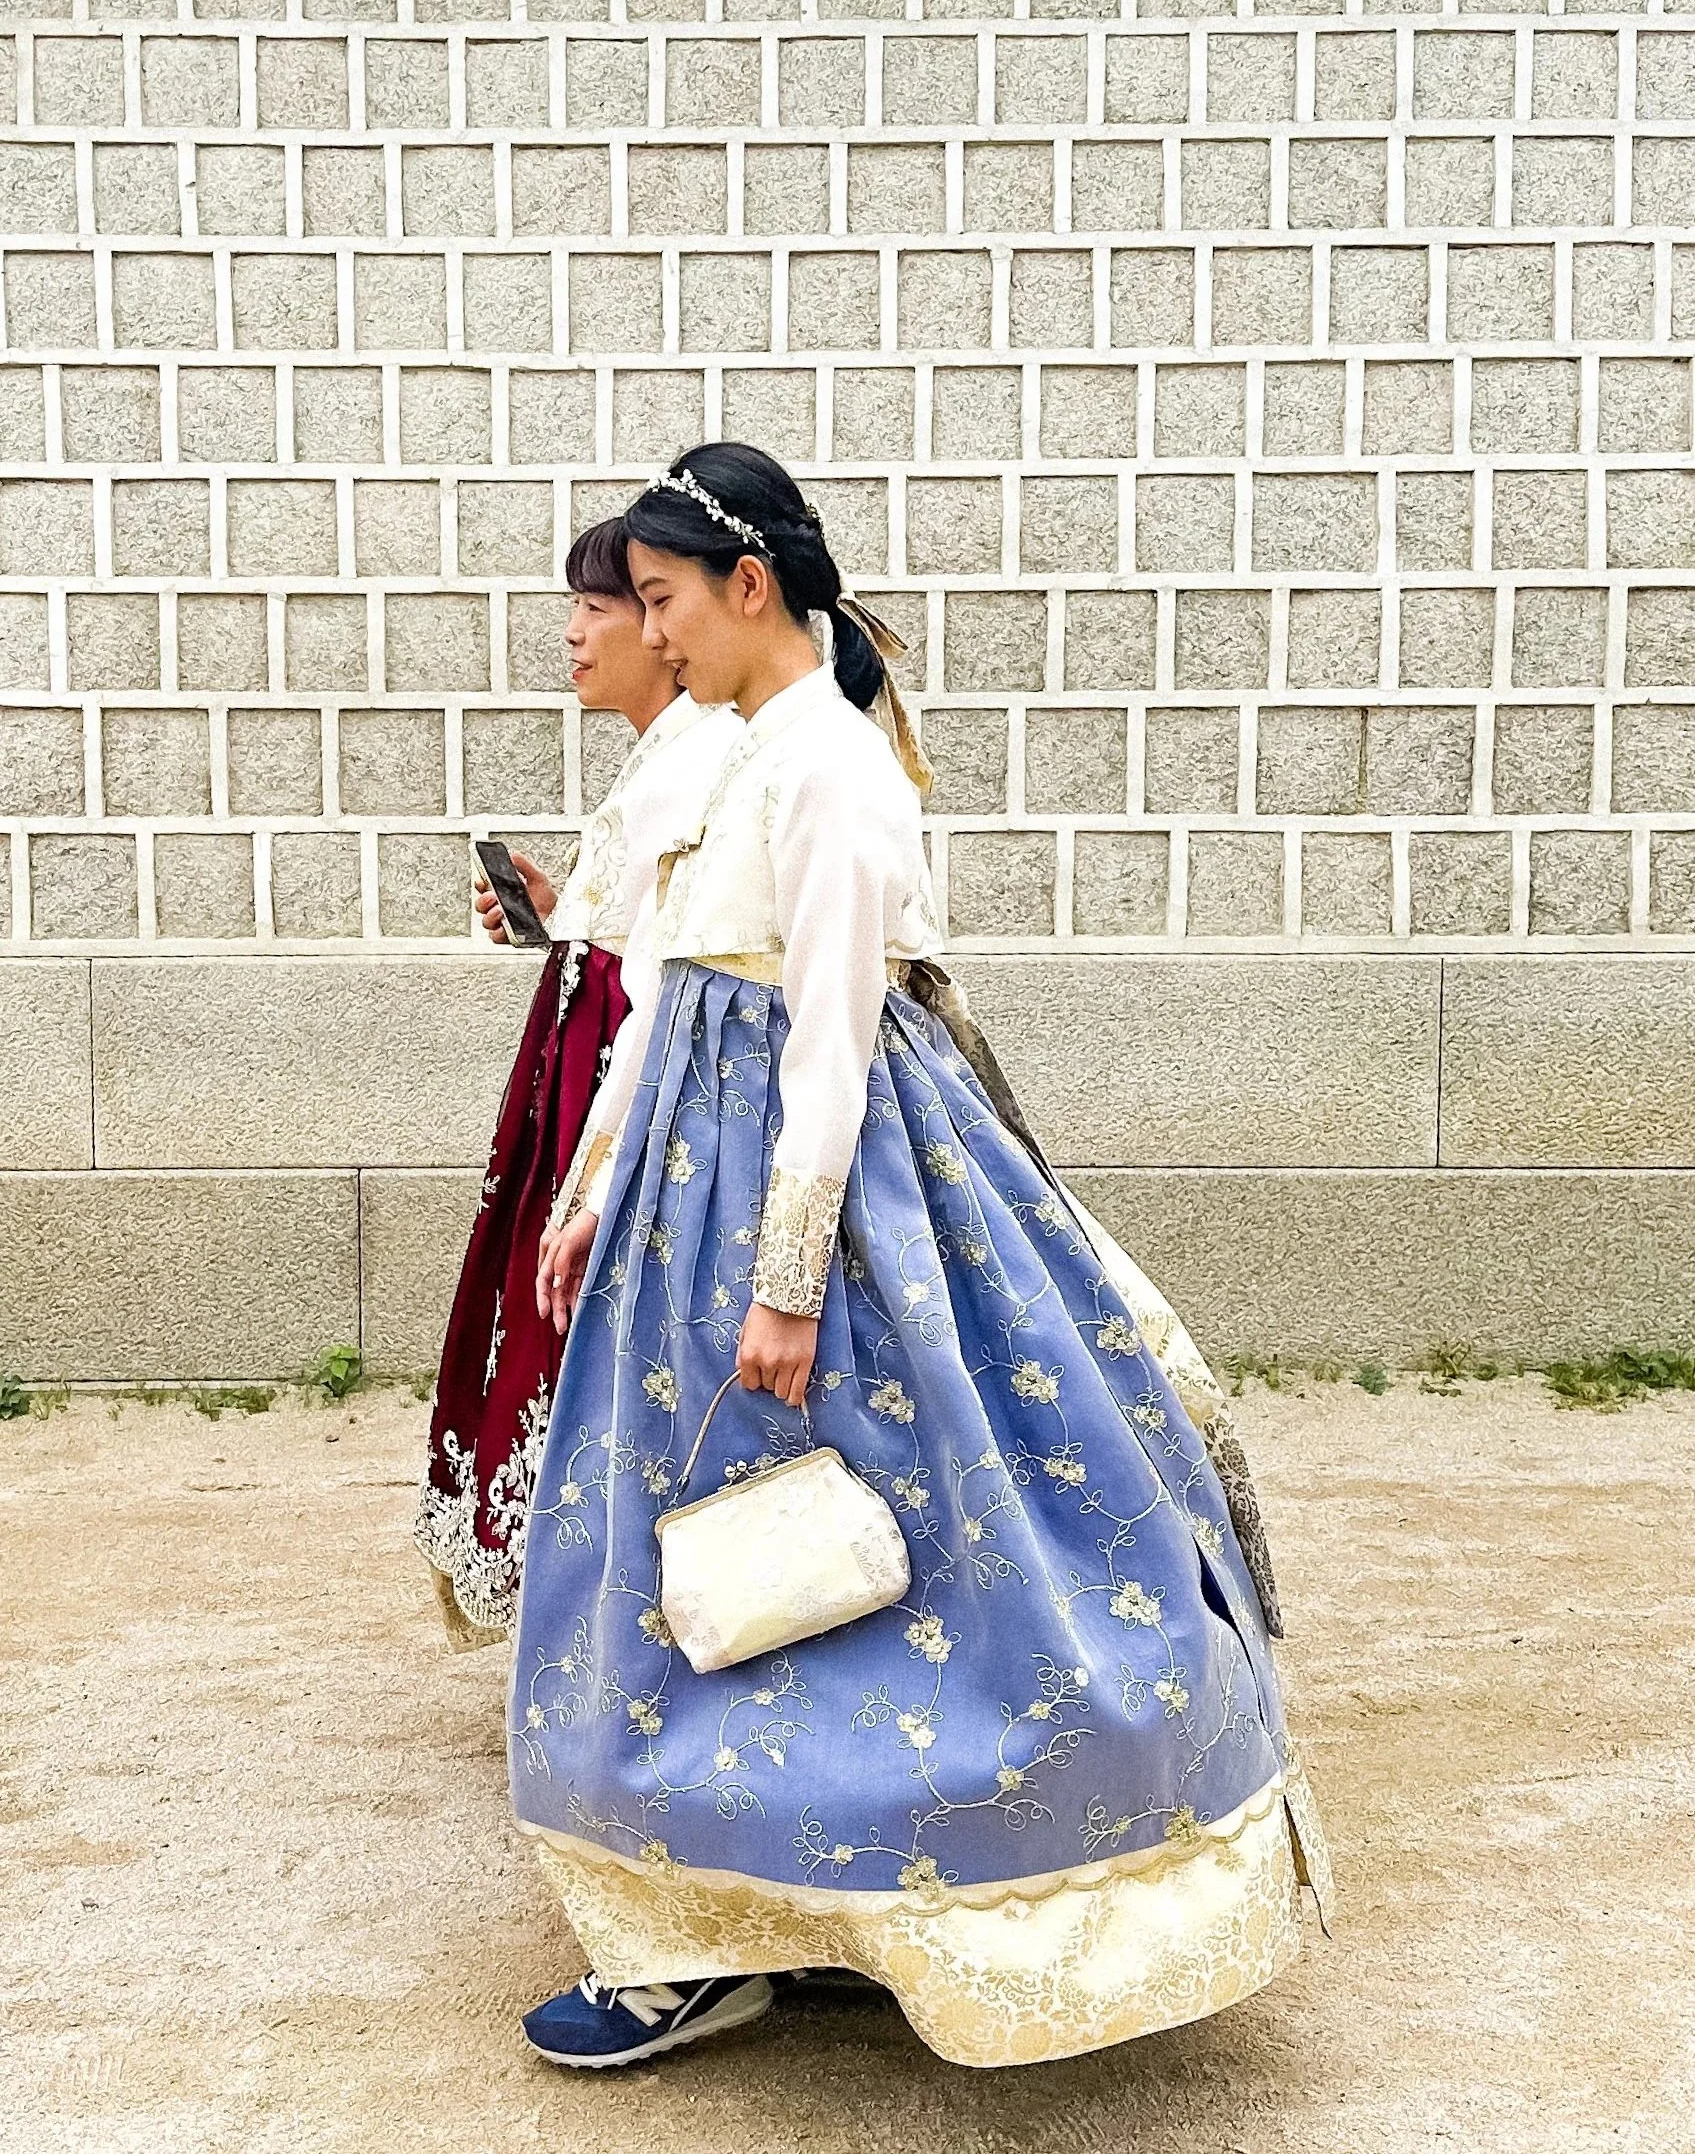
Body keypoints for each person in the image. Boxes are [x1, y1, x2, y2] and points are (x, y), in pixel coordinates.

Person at [514, 445, 1333, 2070]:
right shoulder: (743, 751)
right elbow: (674, 999)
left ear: (749, 588)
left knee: (879, 1541)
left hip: (808, 1208)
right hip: (696, 1196)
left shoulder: (828, 764)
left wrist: (788, 1281)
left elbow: (829, 1038)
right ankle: (725, 1916)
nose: (652, 634)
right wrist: (593, 1188)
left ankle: (838, 1908)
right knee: (707, 1545)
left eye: (666, 600)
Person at [414, 514, 739, 1645]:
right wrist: (560, 921)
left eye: (603, 606)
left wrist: (603, 1159)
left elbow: (671, 972)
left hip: (623, 1085)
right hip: (583, 1075)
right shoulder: (665, 748)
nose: (578, 633)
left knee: (602, 1340)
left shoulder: (707, 751)